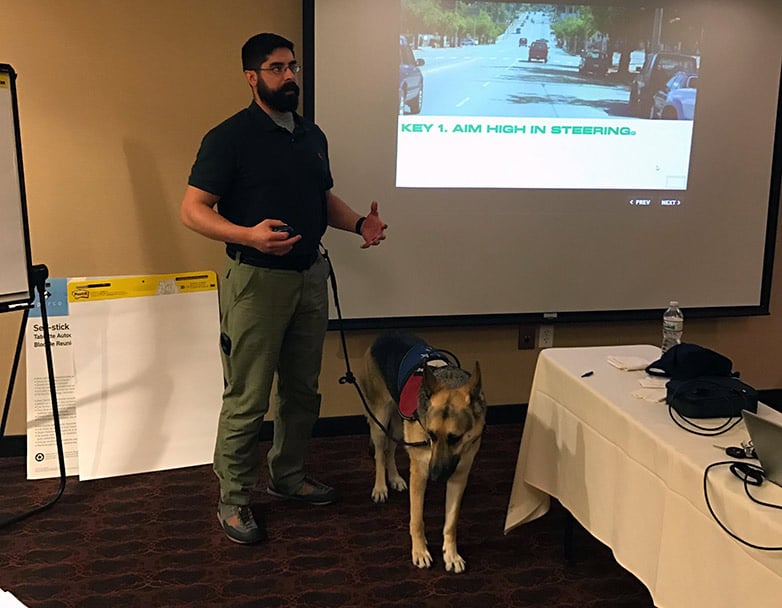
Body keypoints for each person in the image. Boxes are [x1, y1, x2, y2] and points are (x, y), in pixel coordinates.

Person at [180, 32, 387, 544]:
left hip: (309, 278)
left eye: (292, 66)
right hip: (257, 282)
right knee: (248, 397)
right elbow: (193, 210)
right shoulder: (228, 137)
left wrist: (358, 222)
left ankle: (288, 477)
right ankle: (233, 500)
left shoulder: (311, 135)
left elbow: (322, 198)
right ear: (252, 77)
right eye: (276, 68)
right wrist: (247, 234)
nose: (289, 76)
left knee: (301, 391)